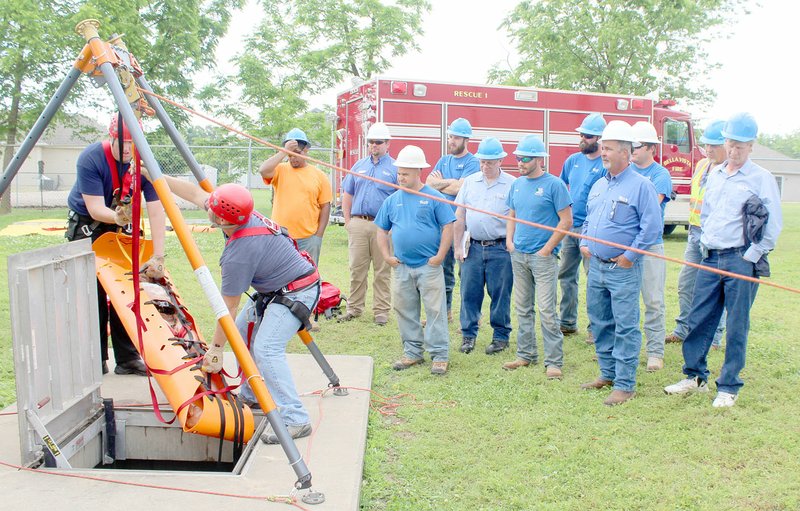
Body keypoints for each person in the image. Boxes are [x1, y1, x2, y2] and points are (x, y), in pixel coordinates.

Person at [161, 177, 318, 441]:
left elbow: (228, 307)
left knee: (266, 348)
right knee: (243, 334)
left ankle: (295, 418)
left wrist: (216, 349)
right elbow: (194, 193)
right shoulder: (237, 213)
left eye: (211, 209)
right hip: (277, 289)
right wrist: (157, 176)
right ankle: (252, 393)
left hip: (297, 291)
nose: (206, 208)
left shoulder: (240, 252)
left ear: (221, 220)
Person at [664, 112, 782, 408]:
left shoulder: (761, 178)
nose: (734, 150)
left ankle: (728, 386)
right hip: (710, 257)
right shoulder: (714, 174)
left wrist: (751, 255)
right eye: (730, 143)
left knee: (737, 324)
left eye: (741, 145)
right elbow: (708, 215)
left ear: (751, 145)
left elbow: (773, 225)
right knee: (698, 318)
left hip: (741, 259)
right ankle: (695, 377)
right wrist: (704, 243)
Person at [65, 113, 166, 376]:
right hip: (90, 225)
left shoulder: (143, 163)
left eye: (133, 145)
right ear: (110, 138)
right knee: (93, 295)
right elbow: (96, 208)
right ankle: (95, 358)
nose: (128, 151)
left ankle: (127, 358)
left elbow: (156, 209)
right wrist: (117, 216)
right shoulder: (92, 158)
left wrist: (158, 255)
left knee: (127, 288)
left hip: (119, 225)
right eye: (123, 144)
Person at [579, 121, 662, 406]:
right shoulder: (600, 184)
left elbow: (651, 228)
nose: (603, 153)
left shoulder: (642, 186)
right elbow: (589, 217)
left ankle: (625, 384)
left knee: (625, 326)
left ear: (626, 153)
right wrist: (584, 241)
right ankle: (608, 373)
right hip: (597, 266)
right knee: (600, 322)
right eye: (603, 147)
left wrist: (630, 256)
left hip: (622, 269)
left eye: (610, 149)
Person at [375, 145, 455, 375]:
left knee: (435, 311)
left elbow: (448, 226)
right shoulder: (392, 200)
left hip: (428, 266)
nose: (401, 177)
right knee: (404, 309)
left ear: (418, 172)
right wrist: (386, 255)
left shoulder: (434, 197)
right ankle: (412, 352)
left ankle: (439, 355)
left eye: (406, 174)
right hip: (401, 266)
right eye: (399, 173)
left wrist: (440, 256)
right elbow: (381, 230)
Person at [502, 135, 573, 379]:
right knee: (522, 307)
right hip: (518, 255)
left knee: (546, 310)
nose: (519, 162)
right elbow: (511, 214)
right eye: (517, 158)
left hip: (543, 258)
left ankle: (553, 361)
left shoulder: (554, 185)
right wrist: (510, 241)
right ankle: (525, 354)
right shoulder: (517, 184)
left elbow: (566, 221)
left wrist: (546, 249)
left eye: (524, 158)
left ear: (539, 159)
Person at [665, 120, 727, 349]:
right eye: (706, 145)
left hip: (716, 238)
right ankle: (683, 329)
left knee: (715, 289)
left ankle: (715, 337)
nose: (709, 150)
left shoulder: (730, 171)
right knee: (686, 284)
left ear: (727, 145)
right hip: (695, 233)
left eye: (714, 145)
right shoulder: (702, 165)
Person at [453, 137, 515, 355]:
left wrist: (510, 243)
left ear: (500, 161)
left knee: (500, 293)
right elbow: (460, 216)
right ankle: (468, 335)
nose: (485, 166)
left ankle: (500, 336)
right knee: (469, 292)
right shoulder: (470, 182)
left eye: (489, 162)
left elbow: (515, 218)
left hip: (500, 248)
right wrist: (458, 247)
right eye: (482, 162)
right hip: (473, 247)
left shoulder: (512, 184)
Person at [338, 122, 397, 325]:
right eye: (371, 142)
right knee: (357, 268)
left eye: (378, 142)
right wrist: (348, 222)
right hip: (358, 224)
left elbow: (400, 199)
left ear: (387, 144)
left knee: (382, 270)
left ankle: (381, 312)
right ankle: (354, 308)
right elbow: (348, 193)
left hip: (383, 227)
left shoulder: (395, 168)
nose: (374, 145)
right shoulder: (359, 166)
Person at [558, 113, 607, 344]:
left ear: (599, 138)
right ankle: (567, 323)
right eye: (581, 134)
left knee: (594, 279)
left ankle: (594, 328)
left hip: (593, 231)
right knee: (566, 275)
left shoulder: (605, 164)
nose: (582, 139)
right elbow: (562, 189)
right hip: (570, 227)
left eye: (587, 136)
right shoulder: (572, 161)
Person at [629, 121, 673, 372]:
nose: (632, 150)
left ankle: (655, 352)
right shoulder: (627, 172)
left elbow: (650, 210)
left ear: (650, 148)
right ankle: (627, 349)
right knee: (626, 302)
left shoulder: (660, 175)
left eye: (635, 146)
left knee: (653, 300)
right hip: (625, 247)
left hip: (650, 247)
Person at [426, 118, 480, 321]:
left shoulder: (473, 162)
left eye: (455, 137)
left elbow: (461, 189)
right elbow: (429, 184)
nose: (451, 140)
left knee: (466, 274)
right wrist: (451, 182)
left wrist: (444, 184)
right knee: (443, 271)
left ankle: (471, 316)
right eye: (449, 136)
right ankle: (445, 313)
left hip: (463, 227)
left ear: (466, 139)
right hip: (442, 225)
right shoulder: (443, 160)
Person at [259, 127, 332, 264]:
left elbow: (325, 206)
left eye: (297, 153)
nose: (293, 158)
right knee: (280, 275)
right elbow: (263, 170)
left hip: (308, 239)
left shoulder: (319, 176)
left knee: (307, 278)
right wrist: (283, 151)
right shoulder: (279, 170)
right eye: (289, 154)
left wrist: (318, 236)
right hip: (281, 237)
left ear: (306, 151)